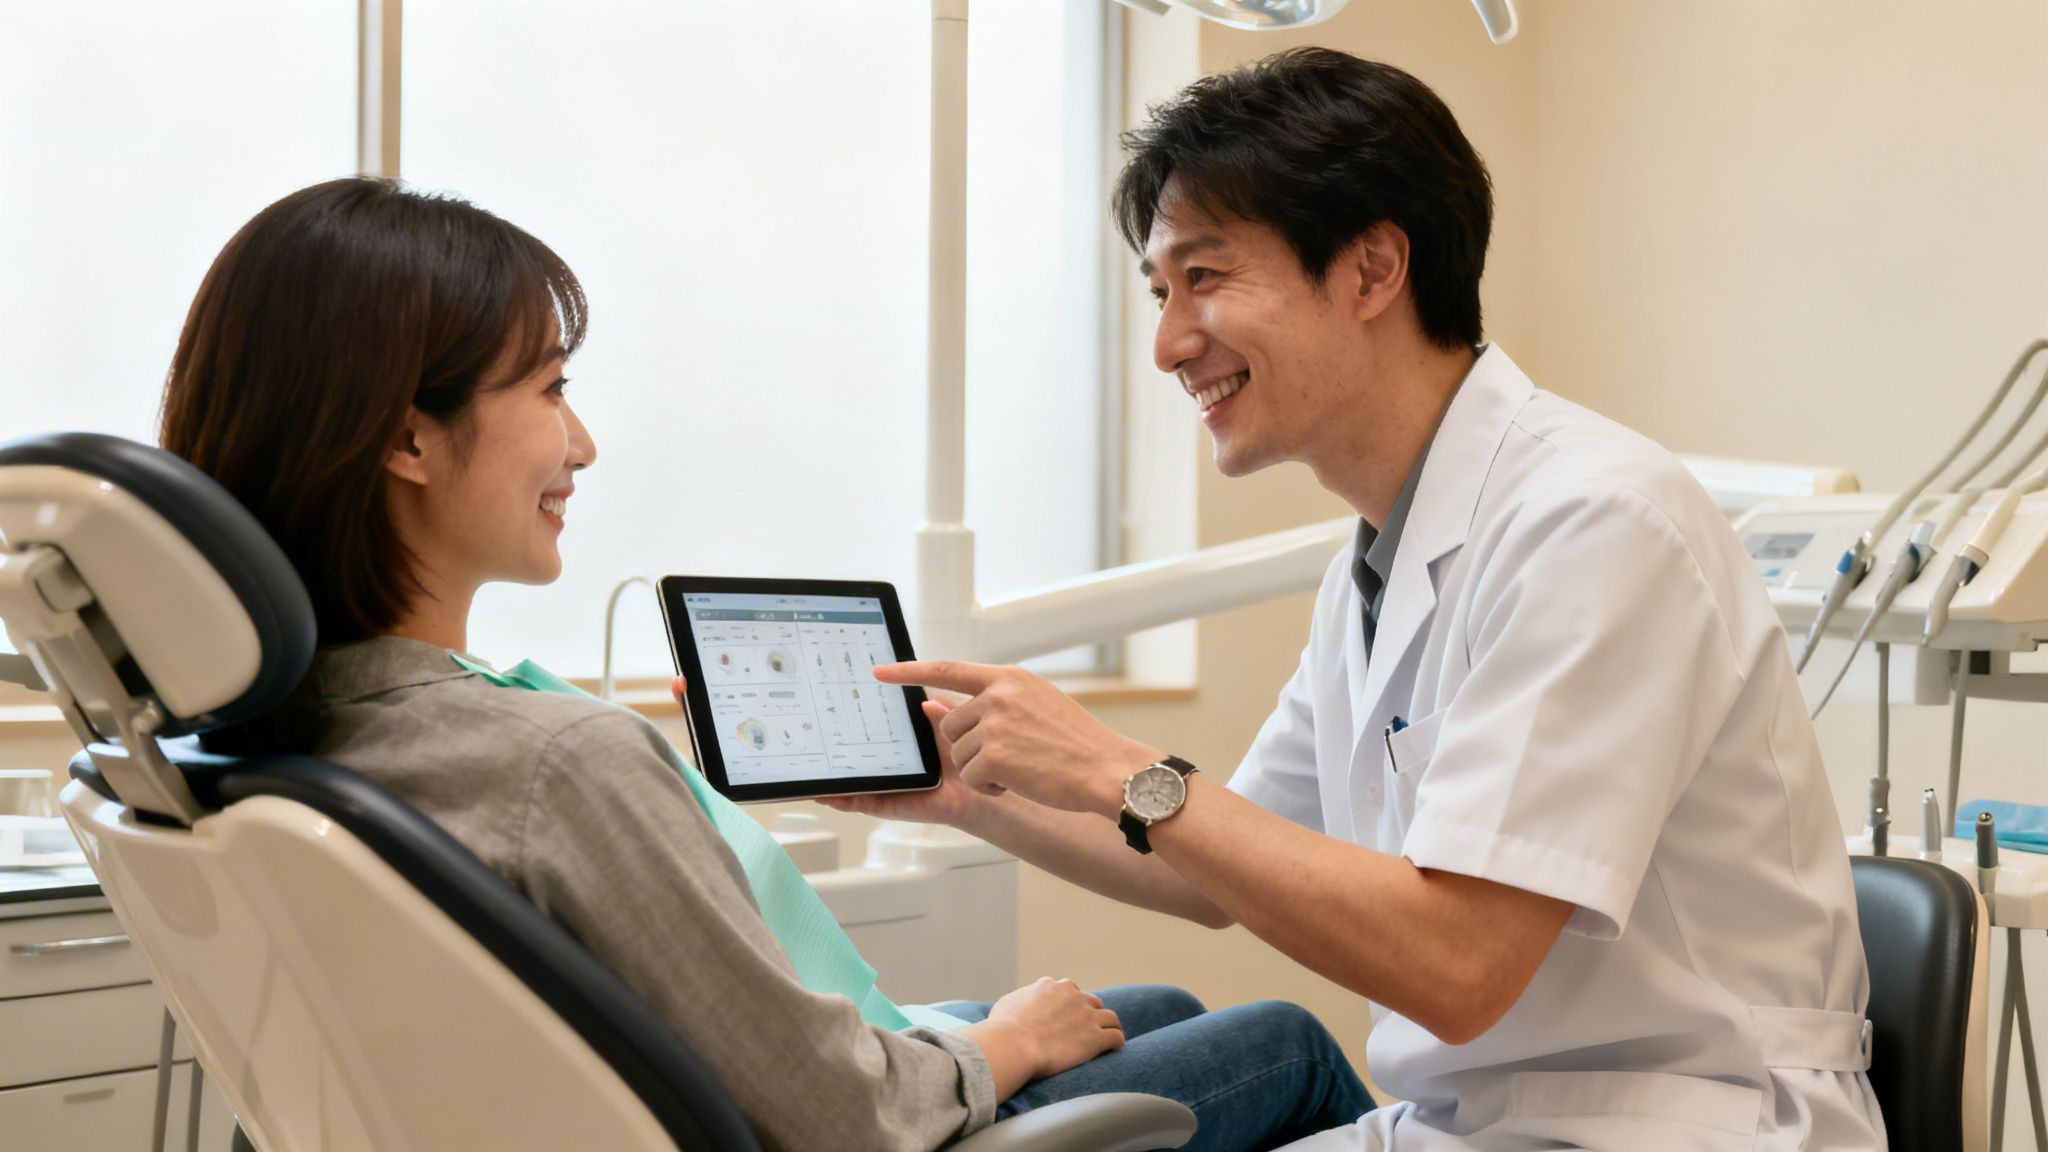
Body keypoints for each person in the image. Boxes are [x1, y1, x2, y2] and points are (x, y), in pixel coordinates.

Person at [157, 176, 1371, 1152]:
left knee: (1147, 1015)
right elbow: (842, 1115)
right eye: (549, 387)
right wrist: (1000, 1044)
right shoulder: (556, 761)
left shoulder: (268, 741)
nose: (580, 440)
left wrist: (967, 815)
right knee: (1282, 1041)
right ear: (409, 437)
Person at [844, 47, 1885, 1151]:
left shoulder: (1593, 520)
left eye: (1202, 279)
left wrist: (1108, 764)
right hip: (1473, 1120)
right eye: (1158, 293)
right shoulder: (1376, 564)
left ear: (1371, 270)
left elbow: (1458, 964)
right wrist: (974, 800)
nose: (1165, 345)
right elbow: (1215, 872)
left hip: (1679, 1122)